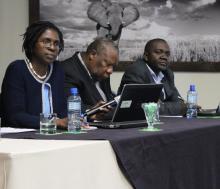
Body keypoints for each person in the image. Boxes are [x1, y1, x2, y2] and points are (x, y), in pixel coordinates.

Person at [1, 21, 67, 129]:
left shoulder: (57, 70)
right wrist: (55, 122)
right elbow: (15, 116)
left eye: (56, 43)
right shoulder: (17, 69)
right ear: (32, 43)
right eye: (46, 41)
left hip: (52, 135)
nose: (52, 47)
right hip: (20, 138)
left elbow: (63, 111)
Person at [118, 38, 187, 115]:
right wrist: (178, 107)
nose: (164, 57)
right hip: (136, 123)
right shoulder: (136, 71)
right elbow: (146, 108)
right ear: (146, 56)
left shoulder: (167, 73)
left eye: (167, 54)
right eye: (158, 52)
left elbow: (178, 101)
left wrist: (164, 105)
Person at [61, 38, 118, 120]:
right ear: (92, 54)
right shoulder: (68, 70)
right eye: (107, 64)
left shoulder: (101, 72)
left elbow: (108, 102)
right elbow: (74, 110)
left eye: (113, 66)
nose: (110, 71)